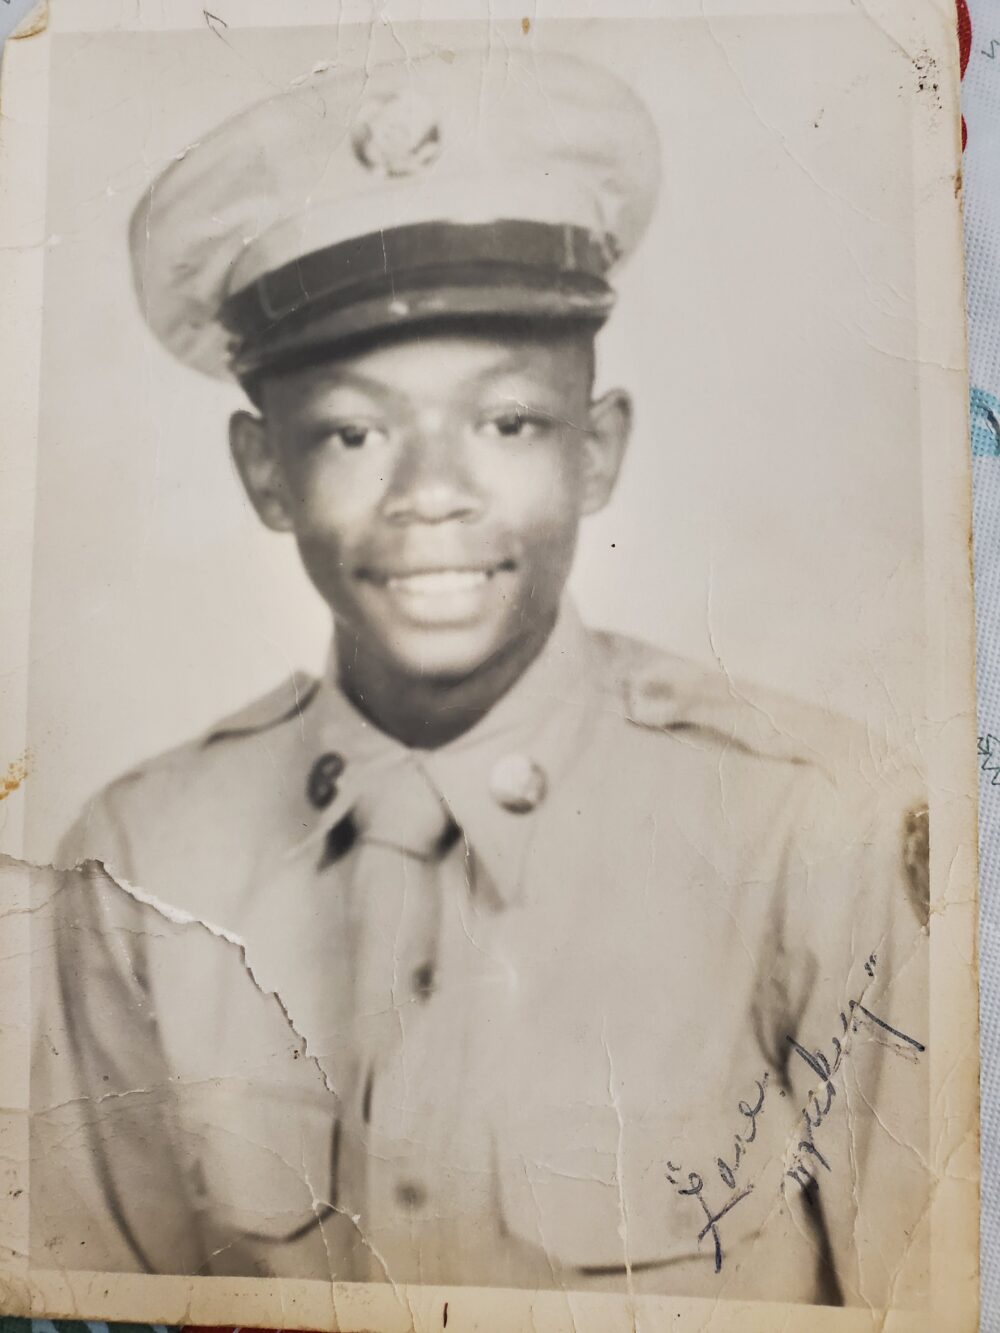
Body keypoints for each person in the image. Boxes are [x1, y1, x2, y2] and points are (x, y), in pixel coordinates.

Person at [31, 45, 929, 1305]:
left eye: (506, 422)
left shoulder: (812, 833)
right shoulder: (141, 864)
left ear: (597, 451)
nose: (432, 495)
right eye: (354, 433)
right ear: (265, 470)